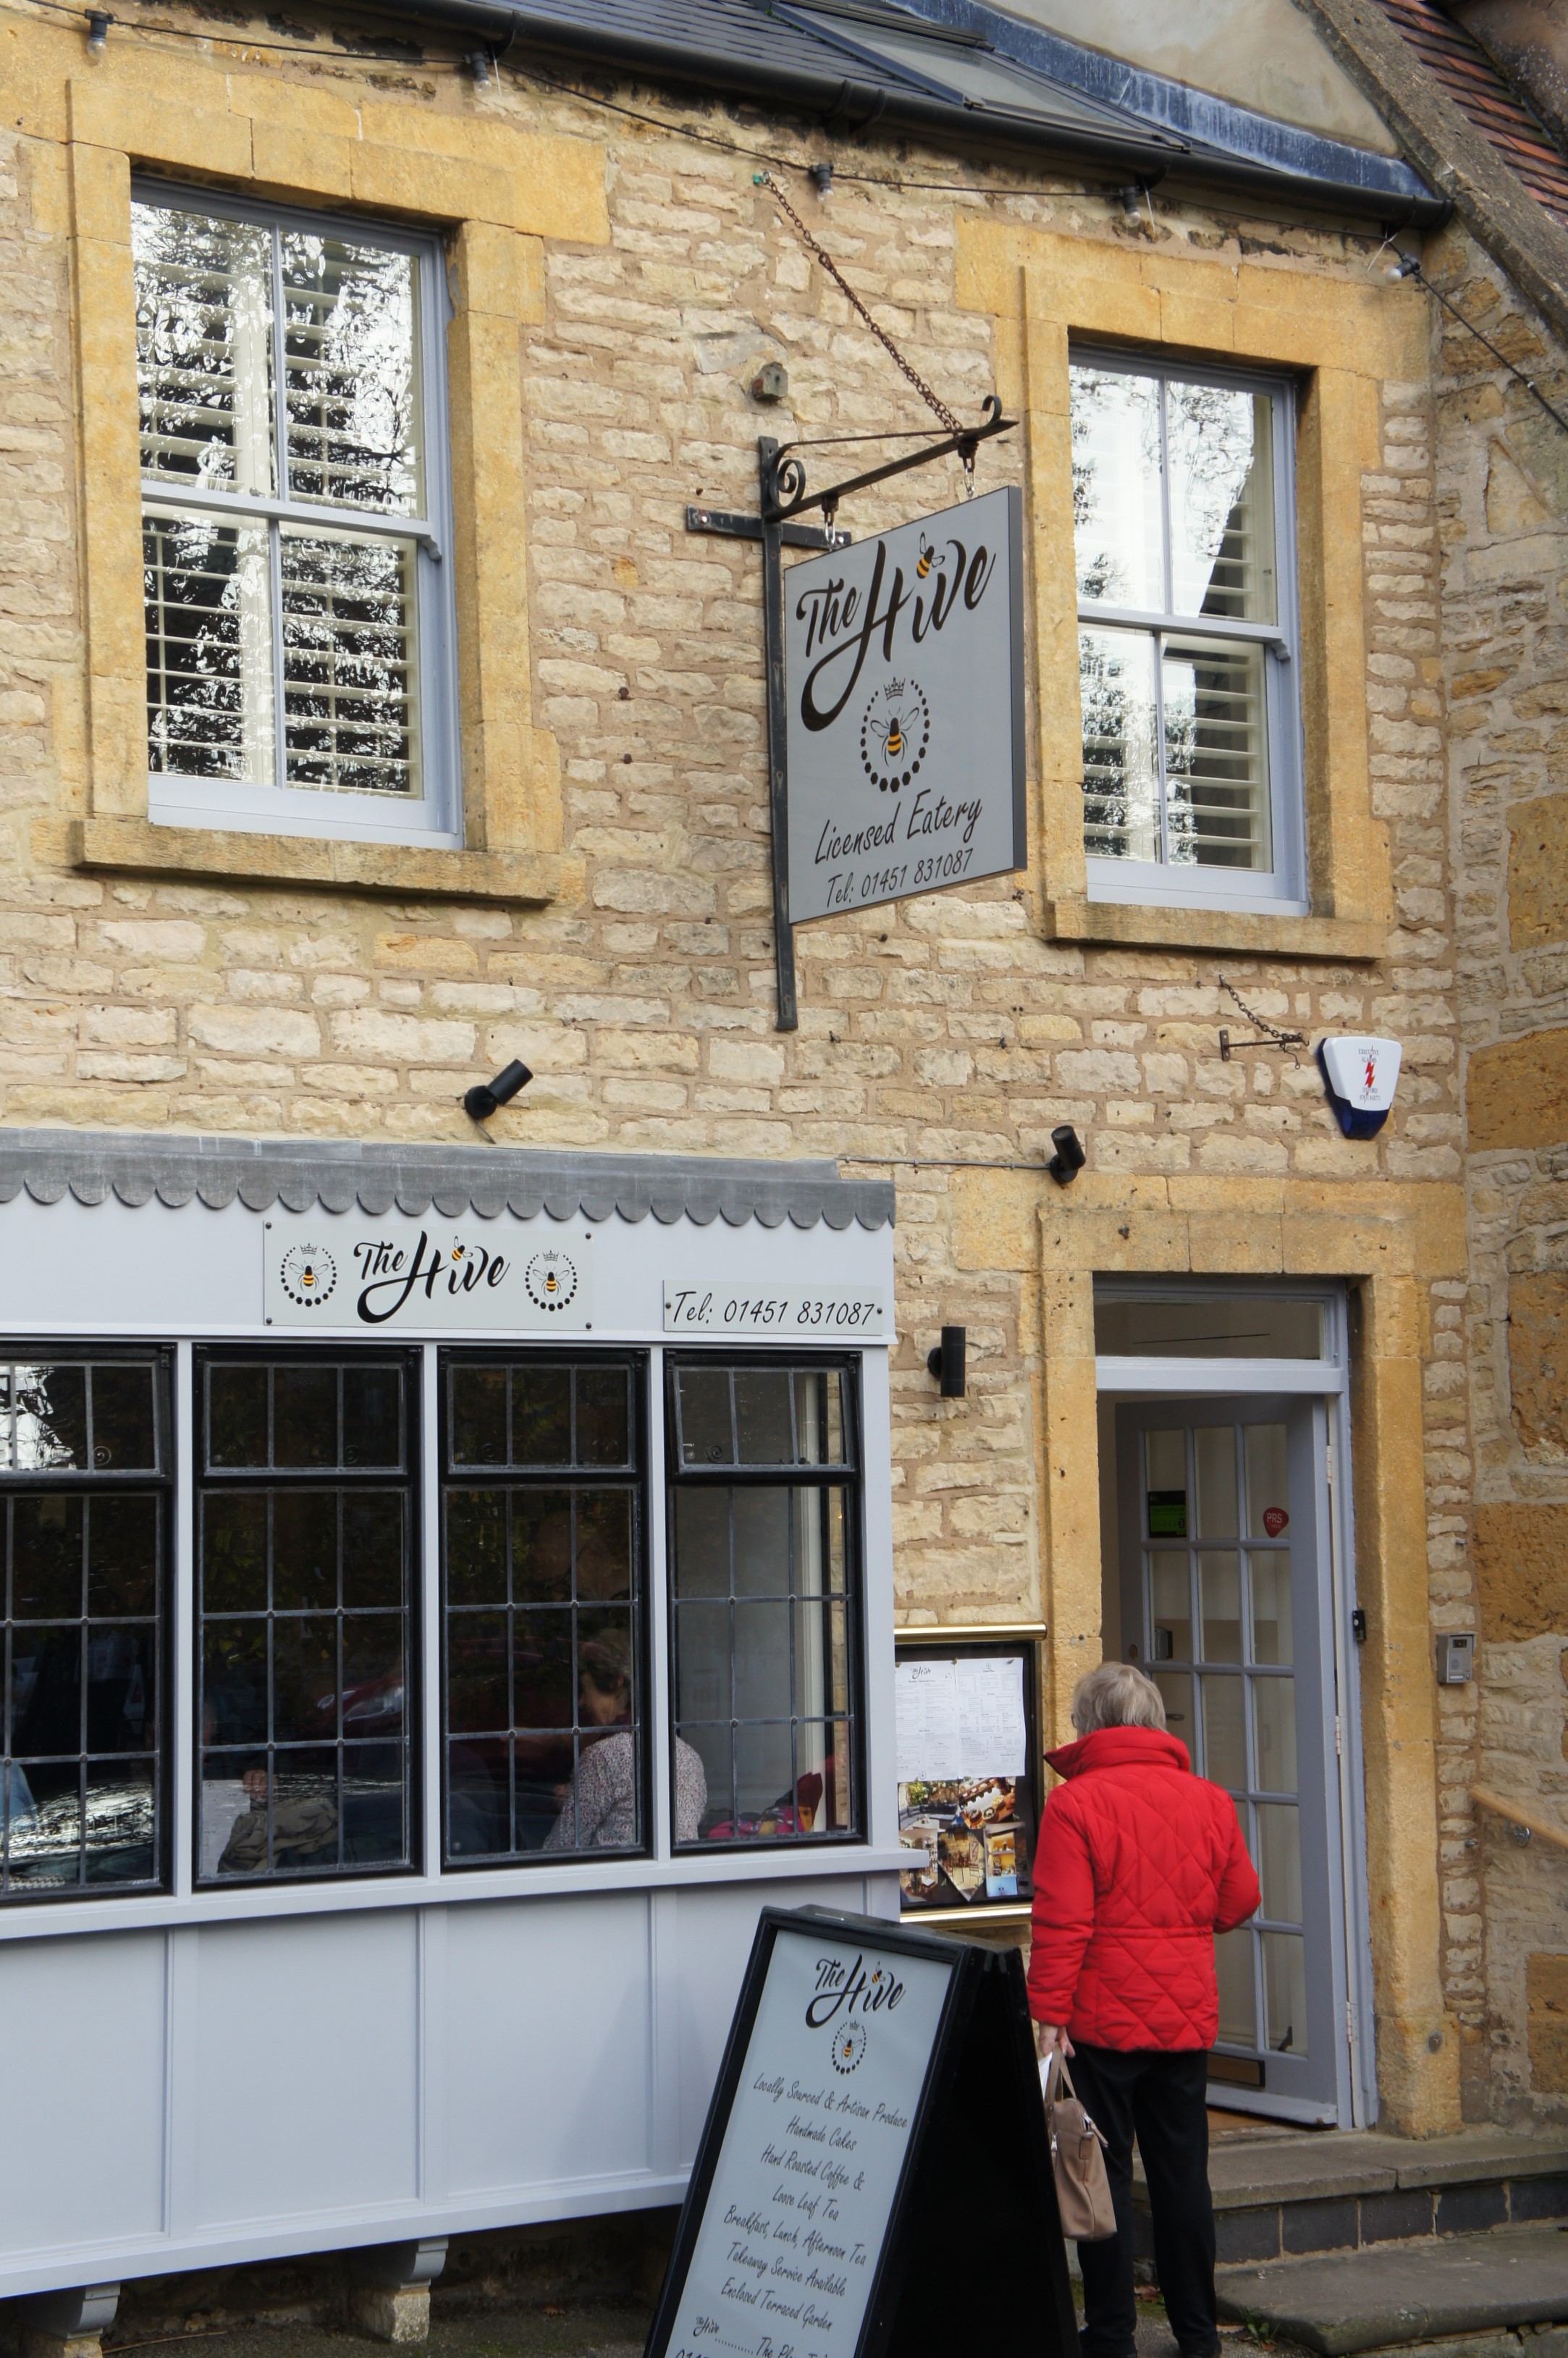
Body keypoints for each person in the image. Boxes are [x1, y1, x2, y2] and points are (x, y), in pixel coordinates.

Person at [1029, 1661, 1260, 2358]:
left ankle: (1111, 2336)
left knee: (1100, 2176)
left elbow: (1063, 1920)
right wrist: (1180, 1927)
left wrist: (1049, 2015)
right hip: (1183, 2022)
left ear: (1090, 1724)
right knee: (1183, 2178)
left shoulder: (1075, 1804)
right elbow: (1240, 1900)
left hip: (1100, 2028)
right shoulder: (1210, 1800)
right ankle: (1199, 2337)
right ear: (1153, 1721)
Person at [544, 1635, 706, 1850]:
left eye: (586, 1688)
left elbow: (562, 1846)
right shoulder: (689, 1756)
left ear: (616, 1684)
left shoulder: (603, 1757)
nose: (581, 1702)